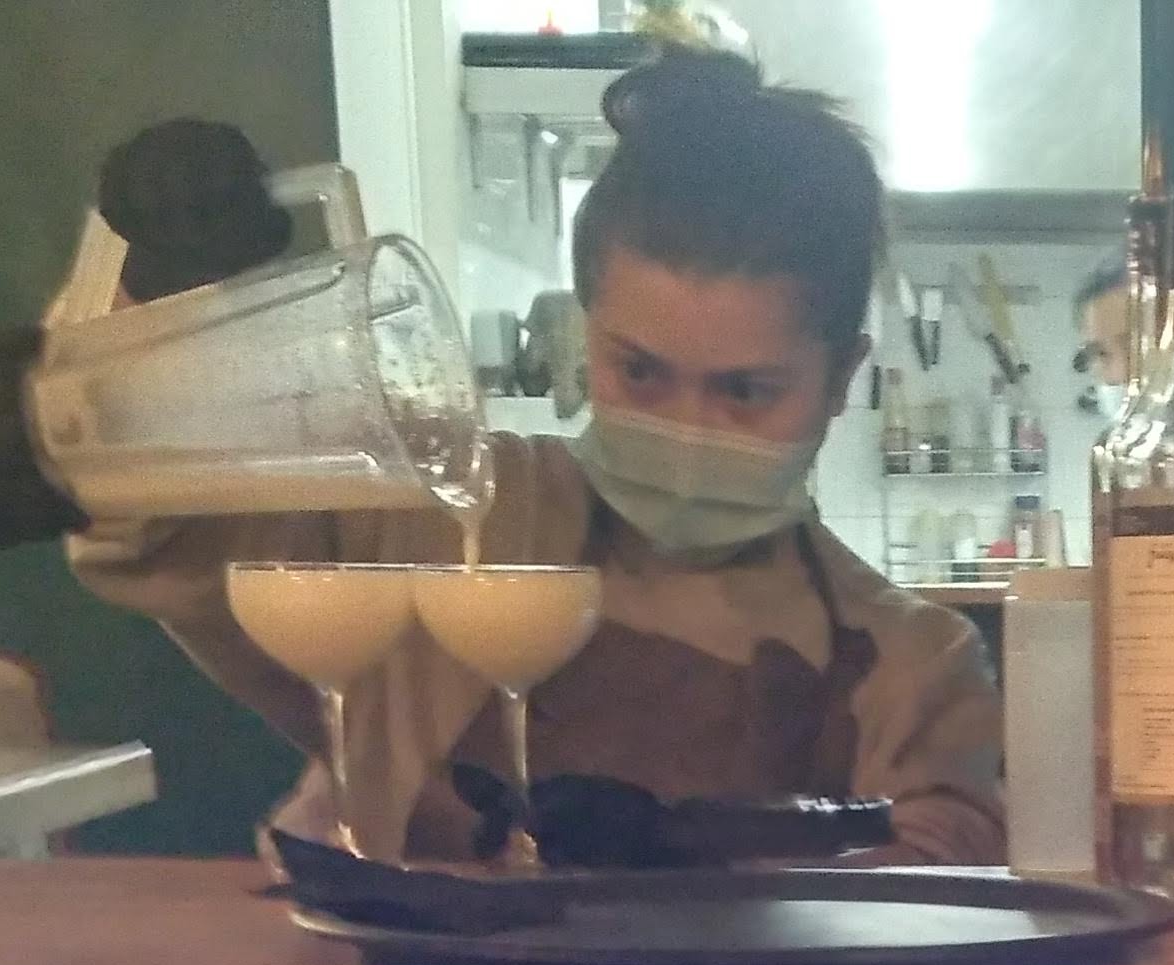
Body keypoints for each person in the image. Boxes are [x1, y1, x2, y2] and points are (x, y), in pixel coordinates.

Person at [77, 52, 1001, 863]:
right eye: (640, 371)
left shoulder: (912, 668)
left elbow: (942, 871)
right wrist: (165, 324)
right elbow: (170, 533)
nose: (687, 430)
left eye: (747, 391)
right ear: (582, 333)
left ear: (841, 378)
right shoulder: (444, 522)